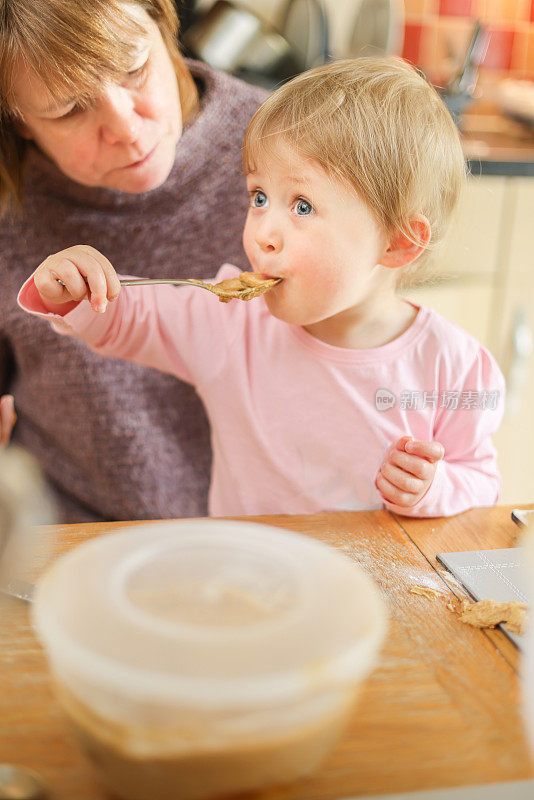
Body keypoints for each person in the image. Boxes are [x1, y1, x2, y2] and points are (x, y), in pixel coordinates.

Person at [19, 57, 505, 517]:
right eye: (259, 196)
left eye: (303, 206)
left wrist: (433, 489)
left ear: (398, 243)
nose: (262, 234)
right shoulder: (232, 321)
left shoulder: (455, 367)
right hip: (246, 583)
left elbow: (481, 481)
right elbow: (132, 314)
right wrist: (78, 289)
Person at [0, 0, 266, 521]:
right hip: (66, 542)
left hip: (264, 541)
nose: (123, 127)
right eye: (68, 109)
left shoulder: (286, 149)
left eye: (134, 69)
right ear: (21, 123)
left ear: (164, 28)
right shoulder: (10, 211)